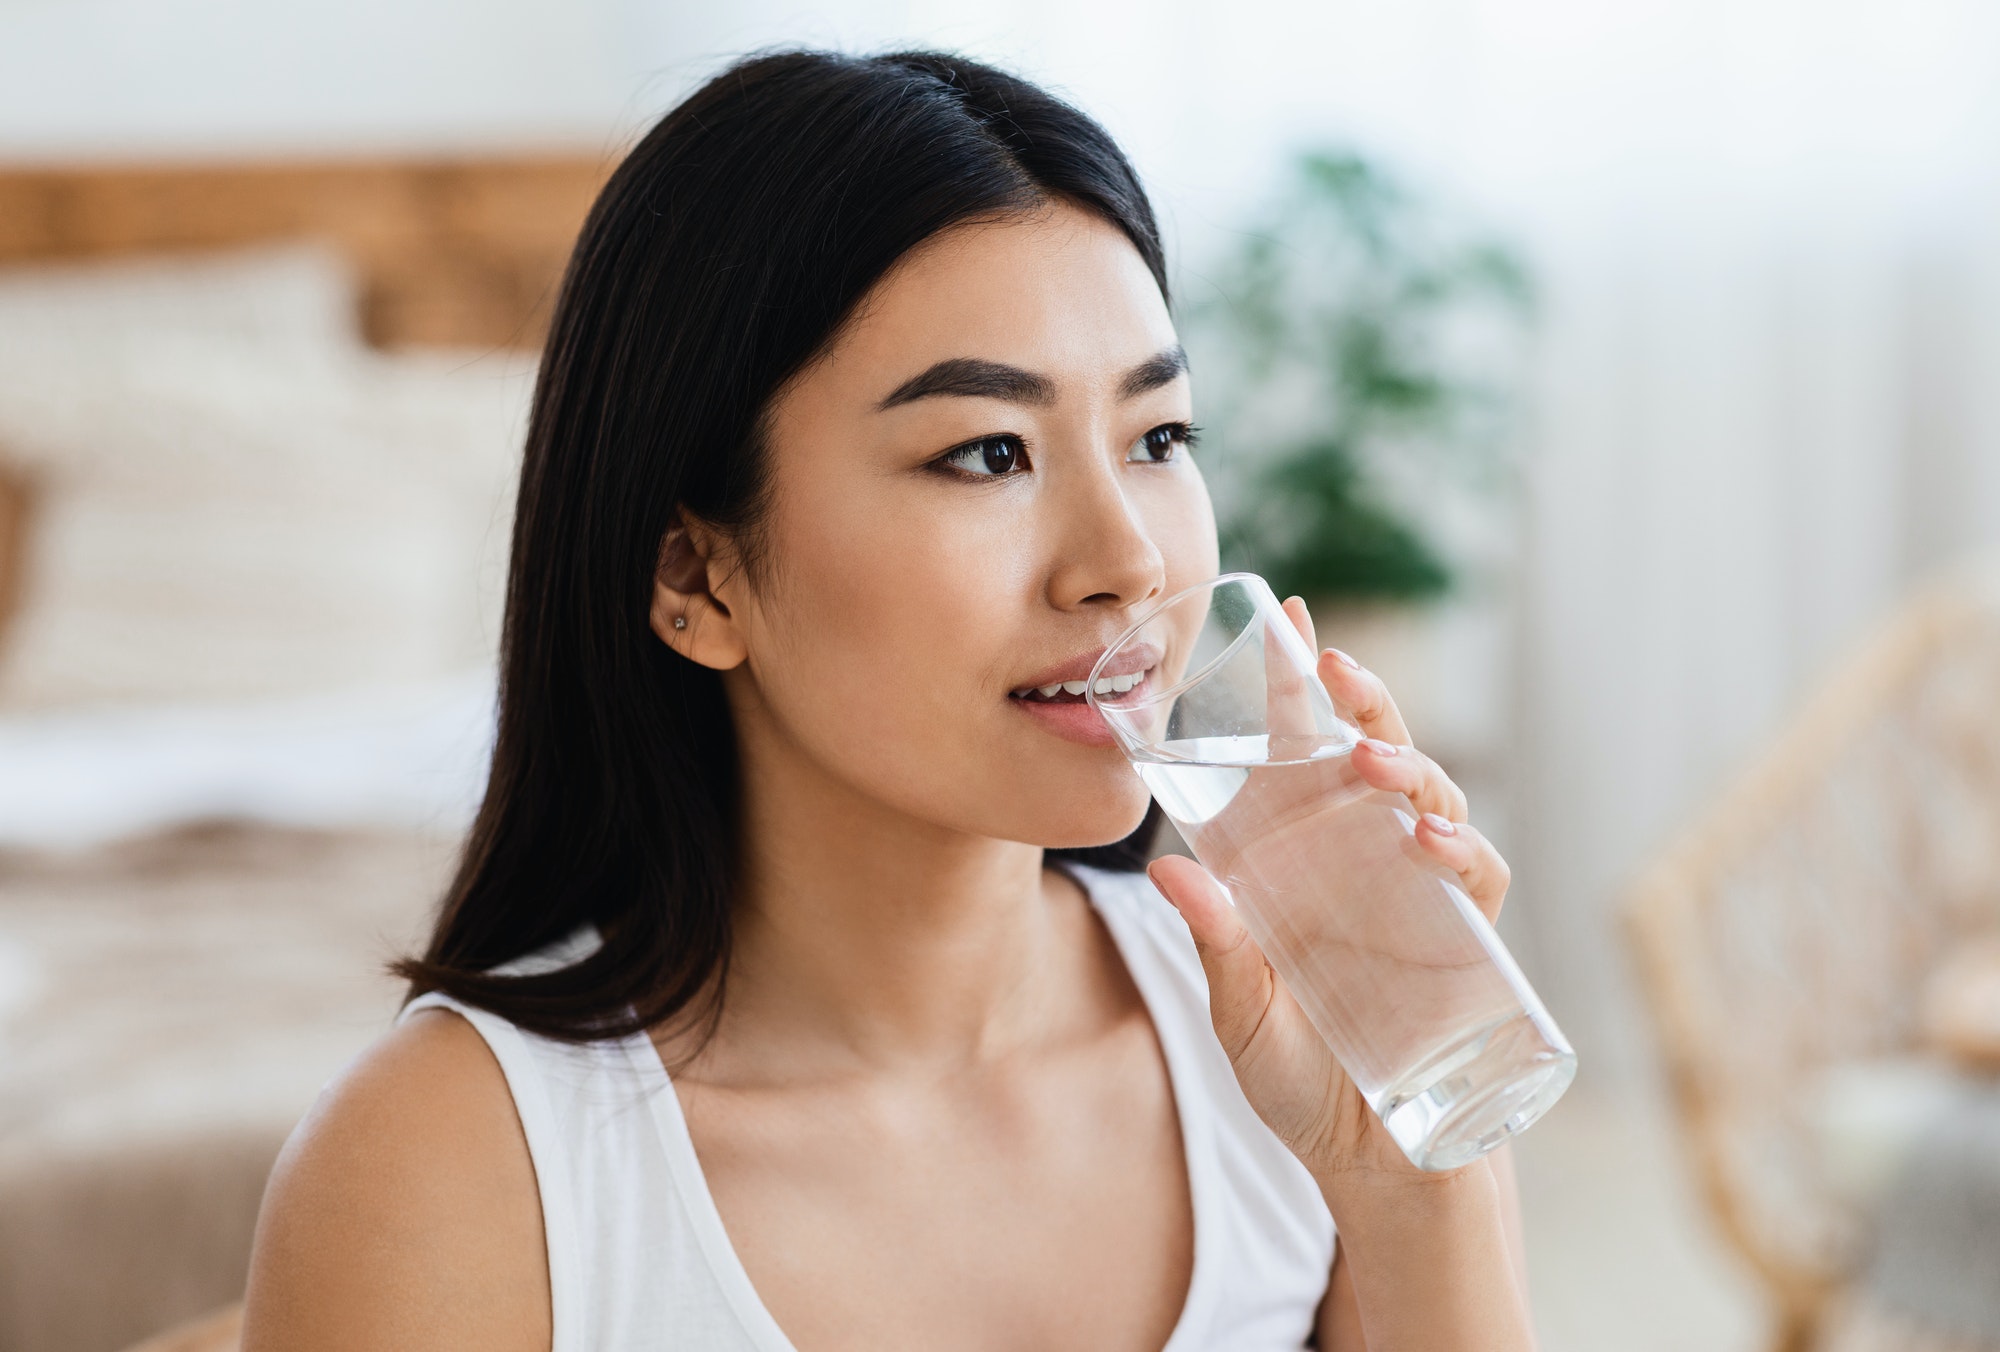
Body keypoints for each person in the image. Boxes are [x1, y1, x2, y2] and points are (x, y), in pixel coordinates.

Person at [240, 49, 1535, 1351]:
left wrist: (1416, 1179)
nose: (1129, 562)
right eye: (988, 453)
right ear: (696, 575)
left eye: (1158, 437)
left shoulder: (1280, 1050)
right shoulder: (448, 1175)